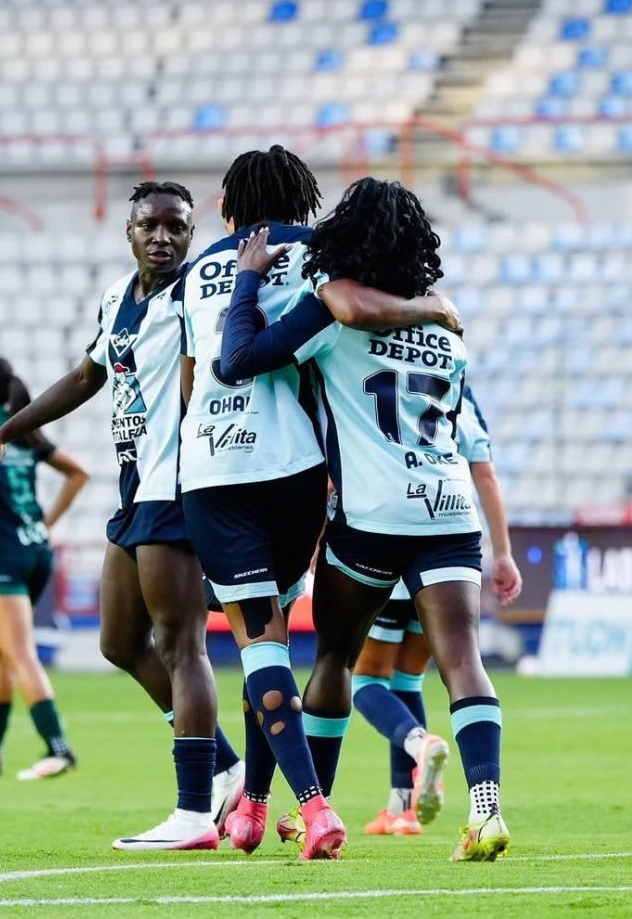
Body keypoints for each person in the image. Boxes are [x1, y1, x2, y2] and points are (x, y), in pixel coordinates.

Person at [175, 146, 460, 860]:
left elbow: (191, 381)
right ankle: (255, 807)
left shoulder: (195, 273)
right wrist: (434, 307)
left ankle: (311, 805)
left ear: (229, 206)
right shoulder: (319, 257)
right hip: (300, 472)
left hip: (215, 463)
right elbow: (358, 319)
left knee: (258, 642)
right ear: (303, 202)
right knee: (272, 640)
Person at [219, 176, 511, 862]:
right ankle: (487, 808)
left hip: (371, 516)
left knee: (336, 659)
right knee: (462, 660)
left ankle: (311, 810)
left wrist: (246, 285)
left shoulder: (331, 315)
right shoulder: (446, 328)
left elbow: (244, 361)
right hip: (447, 511)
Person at [0, 183, 242, 851]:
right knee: (120, 641)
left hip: (177, 483)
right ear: (130, 230)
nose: (164, 237)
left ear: (190, 233)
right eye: (151, 225)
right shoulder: (118, 297)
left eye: (177, 226)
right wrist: (7, 430)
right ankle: (227, 767)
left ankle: (194, 811)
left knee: (181, 645)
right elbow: (88, 377)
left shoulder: (195, 298)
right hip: (133, 489)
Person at [352, 384, 522, 837]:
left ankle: (419, 744)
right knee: (413, 678)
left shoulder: (380, 384)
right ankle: (402, 807)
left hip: (391, 536)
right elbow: (485, 475)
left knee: (366, 680)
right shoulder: (460, 399)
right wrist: (502, 553)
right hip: (449, 544)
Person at [0, 356, 88, 780]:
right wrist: (46, 524)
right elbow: (78, 473)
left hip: (3, 554)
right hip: (38, 551)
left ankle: (58, 748)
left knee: (18, 650)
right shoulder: (21, 431)